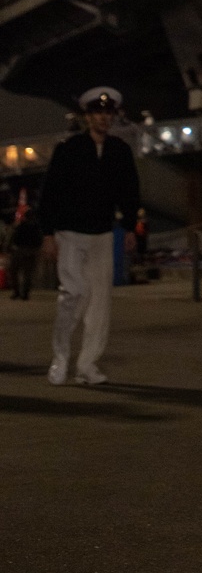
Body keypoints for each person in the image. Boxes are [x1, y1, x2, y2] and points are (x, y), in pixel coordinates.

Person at [39, 87, 140, 386]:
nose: (103, 118)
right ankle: (60, 357)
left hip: (103, 234)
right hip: (70, 233)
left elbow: (129, 191)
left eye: (108, 113)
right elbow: (50, 193)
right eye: (98, 112)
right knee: (73, 293)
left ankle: (87, 365)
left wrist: (131, 226)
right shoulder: (69, 149)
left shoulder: (119, 150)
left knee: (100, 303)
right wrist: (47, 233)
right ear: (87, 116)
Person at [9, 200, 44, 300]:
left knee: (14, 271)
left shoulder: (21, 226)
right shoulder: (37, 227)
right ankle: (24, 293)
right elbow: (39, 240)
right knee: (27, 273)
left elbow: (15, 238)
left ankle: (17, 292)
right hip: (31, 250)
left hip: (20, 250)